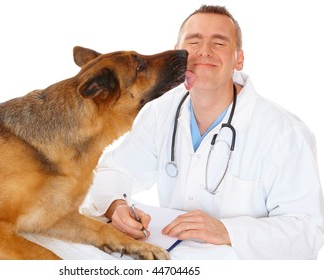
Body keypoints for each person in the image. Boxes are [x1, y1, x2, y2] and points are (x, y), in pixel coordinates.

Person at [81, 5, 324, 259]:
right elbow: (114, 171)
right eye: (194, 41)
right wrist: (116, 205)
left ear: (238, 59)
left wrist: (227, 230)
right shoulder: (162, 111)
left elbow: (308, 230)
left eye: (219, 43)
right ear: (178, 53)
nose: (204, 51)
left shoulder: (285, 133)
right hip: (172, 259)